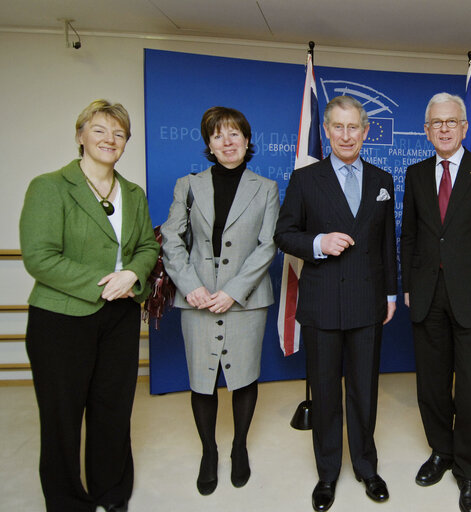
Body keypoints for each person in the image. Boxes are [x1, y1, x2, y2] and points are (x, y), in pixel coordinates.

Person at [19, 100, 159, 512]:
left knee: (113, 409)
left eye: (118, 134)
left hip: (121, 315)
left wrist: (132, 274)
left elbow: (149, 247)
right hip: (61, 318)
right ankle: (67, 502)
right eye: (99, 130)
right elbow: (39, 257)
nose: (109, 140)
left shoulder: (133, 193)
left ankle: (112, 492)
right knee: (62, 418)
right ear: (80, 135)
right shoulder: (49, 186)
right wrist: (103, 285)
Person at [274, 95, 397, 511]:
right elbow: (283, 234)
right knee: (326, 394)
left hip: (367, 303)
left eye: (354, 127)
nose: (346, 135)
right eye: (338, 127)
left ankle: (366, 466)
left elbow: (386, 245)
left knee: (364, 391)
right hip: (322, 304)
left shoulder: (383, 180)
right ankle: (327, 474)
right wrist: (318, 243)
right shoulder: (306, 180)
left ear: (365, 132)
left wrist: (392, 293)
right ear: (326, 131)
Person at [160, 106, 279, 496]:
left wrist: (233, 291)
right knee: (202, 379)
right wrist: (190, 284)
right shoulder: (188, 185)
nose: (227, 142)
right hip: (196, 296)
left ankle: (239, 446)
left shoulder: (266, 188)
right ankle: (208, 451)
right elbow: (172, 239)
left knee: (243, 376)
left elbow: (268, 245)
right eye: (218, 136)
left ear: (247, 140)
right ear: (208, 144)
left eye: (235, 134)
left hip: (245, 299)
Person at [400, 92, 471, 512]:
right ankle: (441, 452)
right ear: (426, 131)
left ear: (464, 128)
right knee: (430, 384)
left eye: (451, 122)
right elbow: (409, 235)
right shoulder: (415, 173)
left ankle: (468, 470)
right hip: (426, 295)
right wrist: (410, 284)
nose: (444, 129)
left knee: (468, 388)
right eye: (436, 123)